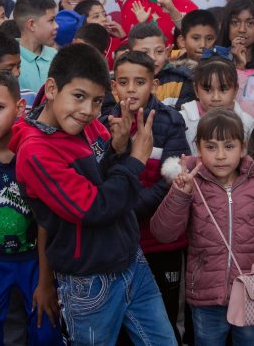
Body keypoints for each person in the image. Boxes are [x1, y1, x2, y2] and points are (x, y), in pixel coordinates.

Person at [10, 43, 175, 345]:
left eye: (97, 101)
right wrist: (136, 159)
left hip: (131, 262)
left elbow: (103, 178)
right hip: (89, 281)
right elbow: (93, 207)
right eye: (79, 96)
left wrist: (118, 147)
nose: (88, 111)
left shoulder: (84, 125)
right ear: (51, 88)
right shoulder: (35, 152)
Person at [152, 108, 254, 346]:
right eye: (211, 147)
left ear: (243, 147)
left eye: (228, 146)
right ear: (198, 147)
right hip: (206, 295)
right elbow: (164, 233)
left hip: (252, 292)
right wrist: (179, 194)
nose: (220, 155)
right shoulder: (190, 182)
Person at [0, 71, 60, 346]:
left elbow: (44, 221)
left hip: (34, 259)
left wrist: (45, 280)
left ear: (19, 108)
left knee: (46, 326)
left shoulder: (35, 149)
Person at [102, 50, 189, 338]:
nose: (130, 89)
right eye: (123, 82)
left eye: (139, 82)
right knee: (125, 321)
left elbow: (171, 176)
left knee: (162, 316)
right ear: (114, 86)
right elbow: (102, 177)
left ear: (154, 84)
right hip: (120, 245)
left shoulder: (170, 120)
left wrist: (126, 208)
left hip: (161, 242)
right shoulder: (104, 123)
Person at [179, 55, 254, 153]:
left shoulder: (247, 123)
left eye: (223, 89)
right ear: (196, 90)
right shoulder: (182, 120)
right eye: (207, 90)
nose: (216, 98)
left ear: (236, 90)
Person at [129, 22, 196, 109]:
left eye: (159, 51)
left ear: (166, 51)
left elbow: (182, 119)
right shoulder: (120, 83)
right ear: (129, 54)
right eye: (144, 53)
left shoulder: (181, 80)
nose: (153, 58)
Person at [14, 0, 58, 93]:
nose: (56, 26)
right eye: (51, 20)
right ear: (31, 25)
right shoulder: (8, 60)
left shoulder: (56, 56)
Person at [174, 9, 218, 73]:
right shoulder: (172, 72)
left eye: (209, 39)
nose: (203, 45)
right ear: (182, 41)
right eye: (196, 38)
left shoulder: (224, 71)